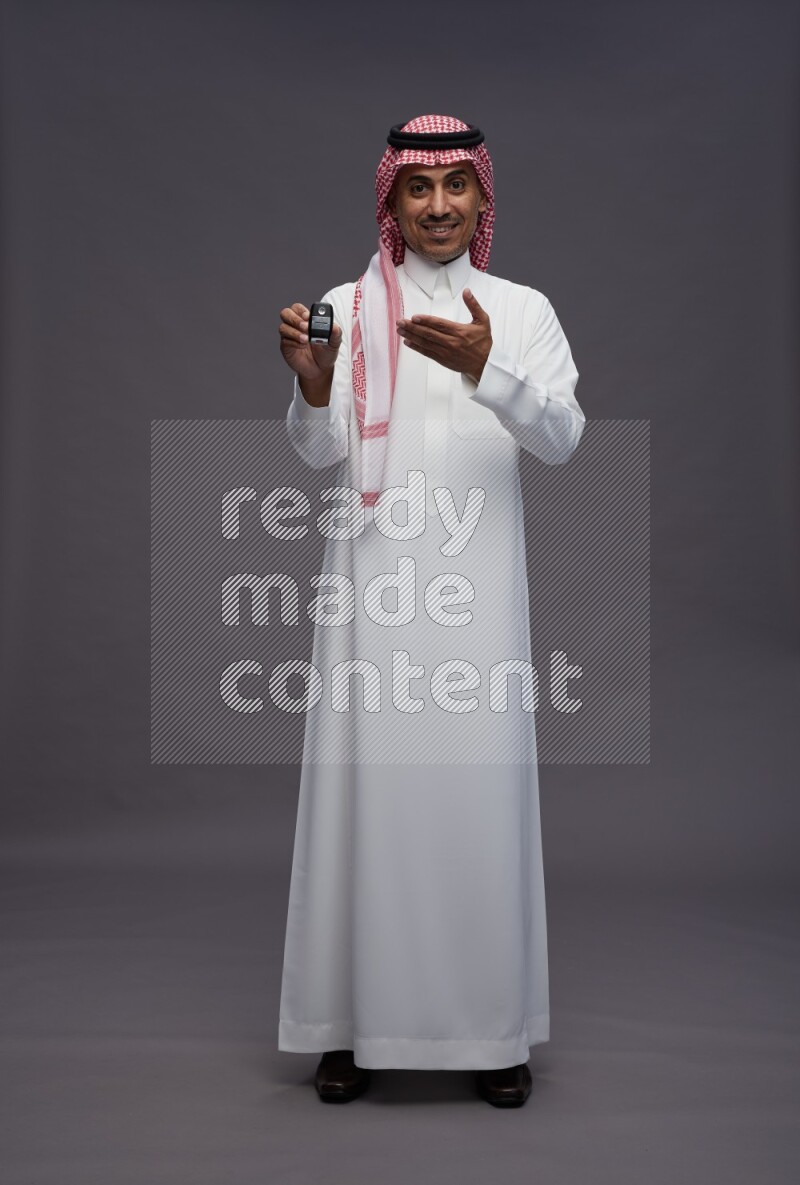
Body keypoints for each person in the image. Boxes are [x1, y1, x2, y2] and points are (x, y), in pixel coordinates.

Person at [276, 114, 585, 1107]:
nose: (440, 205)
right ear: (391, 200)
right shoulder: (345, 304)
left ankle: (490, 1033)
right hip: (370, 592)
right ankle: (349, 1027)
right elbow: (320, 452)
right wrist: (315, 383)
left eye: (458, 186)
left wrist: (486, 369)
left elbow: (563, 440)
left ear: (482, 199)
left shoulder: (521, 308)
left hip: (478, 602)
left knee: (476, 802)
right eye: (421, 188)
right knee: (361, 798)